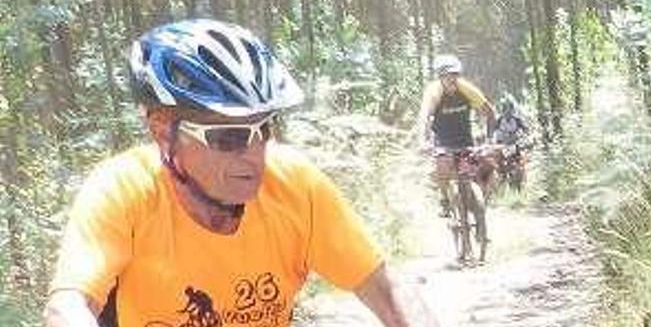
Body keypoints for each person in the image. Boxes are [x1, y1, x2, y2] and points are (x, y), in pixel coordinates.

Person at [43, 19, 438, 327]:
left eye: (263, 130)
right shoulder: (123, 190)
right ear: (163, 131)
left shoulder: (295, 186)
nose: (254, 155)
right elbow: (68, 308)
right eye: (228, 137)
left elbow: (387, 288)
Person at [409, 54, 497, 214]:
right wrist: (422, 141)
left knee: (489, 169)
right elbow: (424, 117)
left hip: (466, 141)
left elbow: (490, 112)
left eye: (455, 75)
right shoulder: (434, 92)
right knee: (441, 169)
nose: (452, 79)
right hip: (443, 143)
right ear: (440, 77)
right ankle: (444, 199)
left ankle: (479, 205)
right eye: (448, 76)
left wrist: (490, 139)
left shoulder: (466, 89)